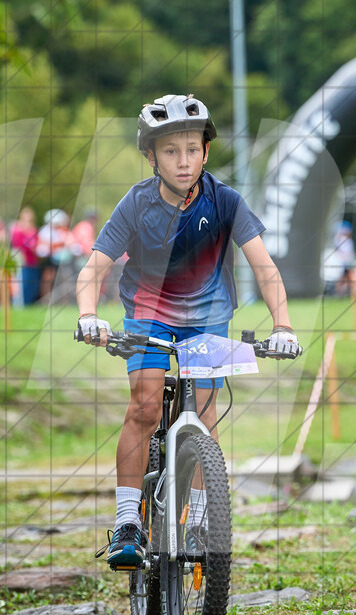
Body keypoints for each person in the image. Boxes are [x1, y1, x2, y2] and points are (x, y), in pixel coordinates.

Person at [76, 94, 302, 569]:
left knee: (204, 410)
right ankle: (127, 522)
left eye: (192, 149)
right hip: (149, 313)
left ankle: (200, 519)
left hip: (208, 316)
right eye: (171, 151)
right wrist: (88, 315)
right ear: (152, 156)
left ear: (205, 151)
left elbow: (265, 268)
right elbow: (93, 269)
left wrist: (282, 324)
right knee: (144, 403)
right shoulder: (135, 204)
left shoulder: (226, 202)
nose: (183, 161)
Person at [9, 206, 41, 305]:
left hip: (33, 261)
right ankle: (21, 303)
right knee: (22, 284)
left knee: (32, 284)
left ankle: (29, 303)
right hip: (23, 261)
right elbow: (17, 245)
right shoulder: (17, 230)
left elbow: (37, 243)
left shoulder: (34, 229)